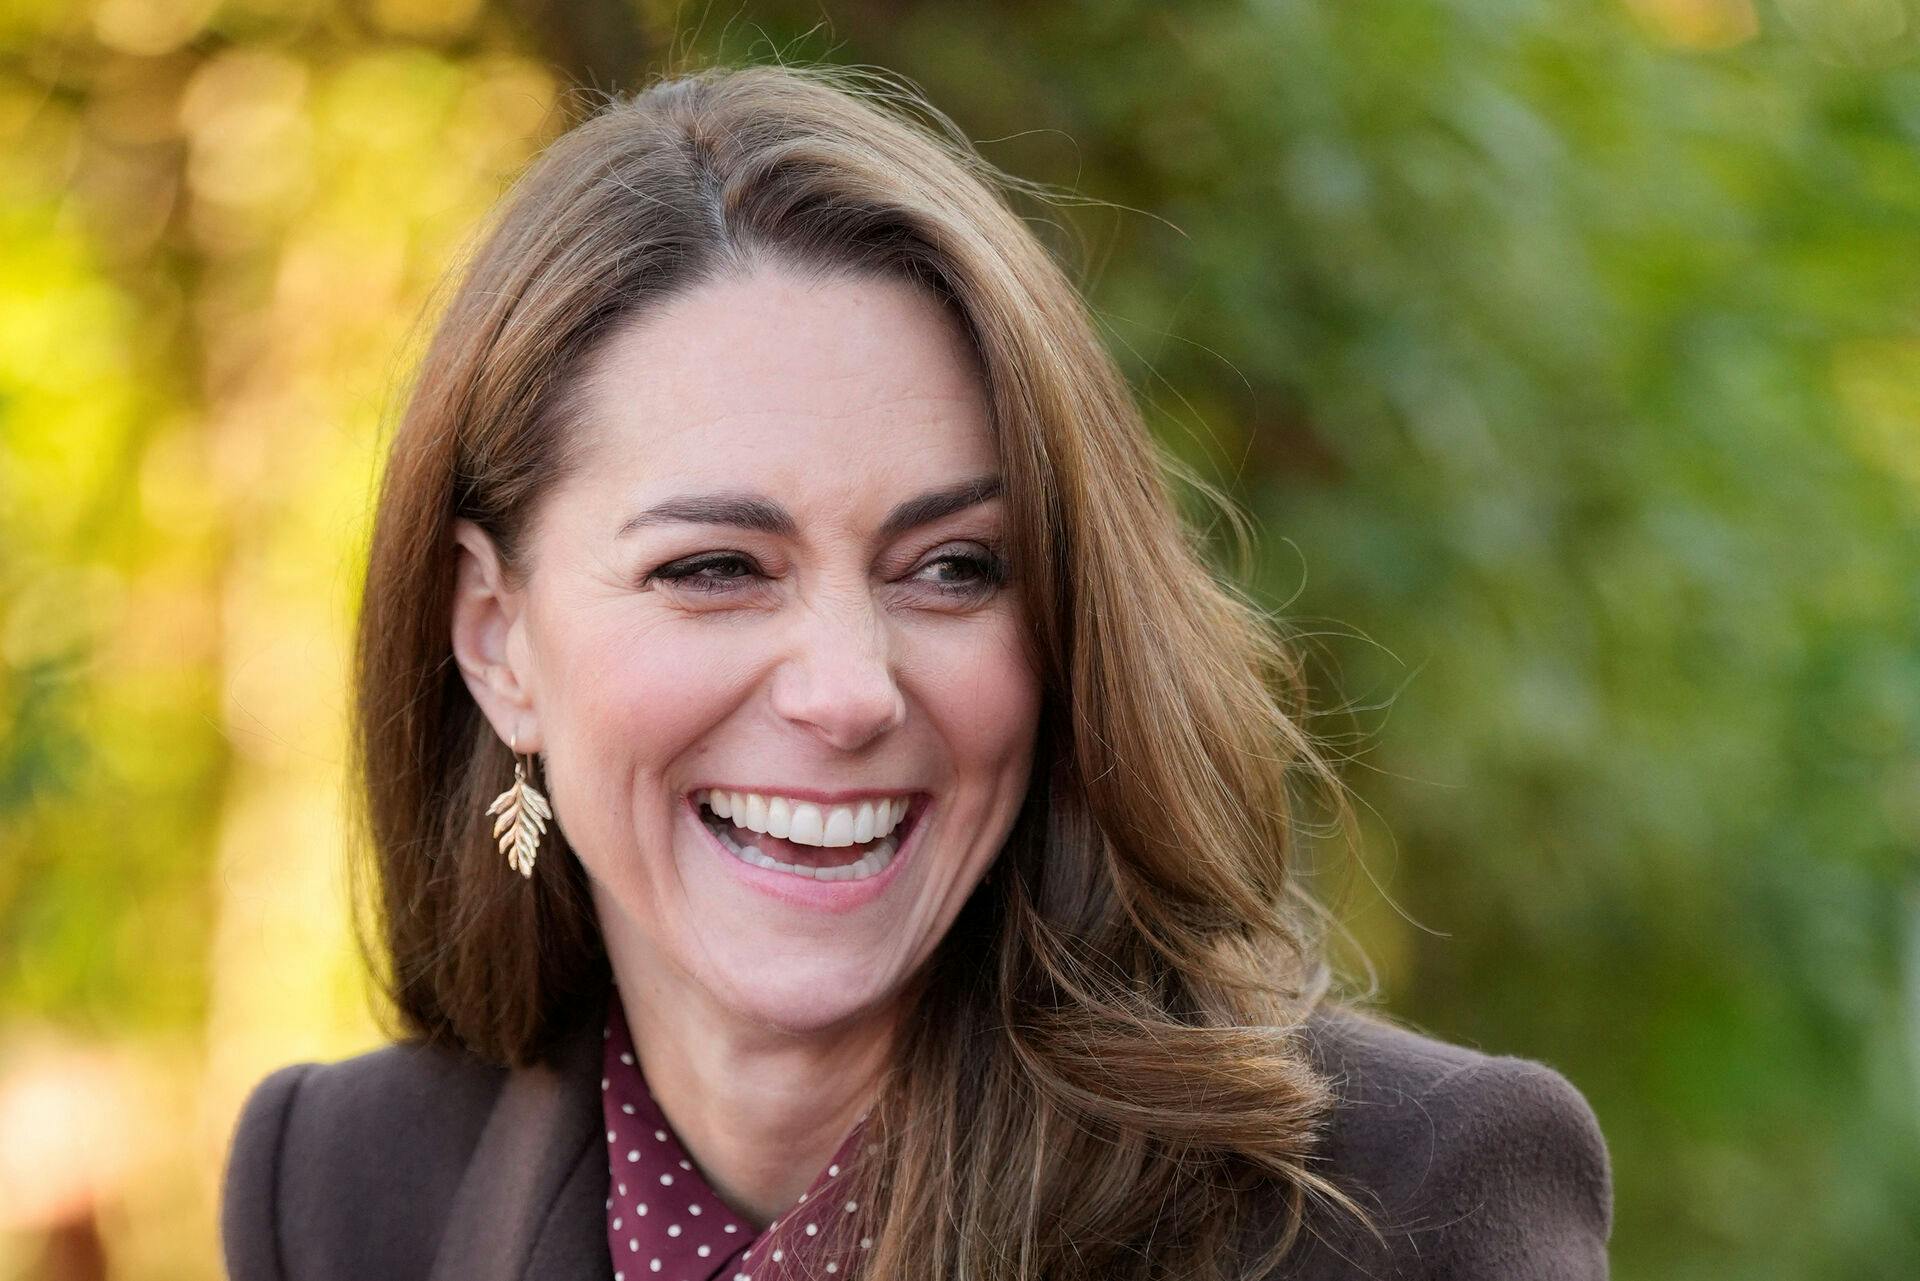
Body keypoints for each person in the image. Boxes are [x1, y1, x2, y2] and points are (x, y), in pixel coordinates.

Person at [218, 61, 1612, 1281]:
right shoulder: (340, 1189)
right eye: (715, 568)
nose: (849, 689)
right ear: (495, 638)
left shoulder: (1411, 1205)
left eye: (953, 567)